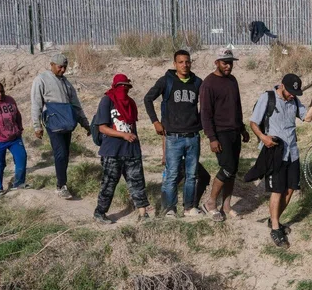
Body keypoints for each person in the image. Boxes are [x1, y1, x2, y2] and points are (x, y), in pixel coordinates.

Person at [248, 74, 312, 247]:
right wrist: (263, 137)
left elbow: (307, 117)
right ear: (282, 85)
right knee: (277, 190)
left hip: (292, 152)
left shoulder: (294, 100)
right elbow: (253, 122)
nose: (291, 95)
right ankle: (275, 228)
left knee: (290, 189)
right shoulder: (267, 98)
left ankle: (274, 219)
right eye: (289, 92)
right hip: (275, 152)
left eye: (294, 93)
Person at [144, 49, 205, 218]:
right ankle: (169, 209)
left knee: (191, 175)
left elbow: (207, 103)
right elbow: (148, 99)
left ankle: (189, 207)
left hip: (193, 137)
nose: (184, 65)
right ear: (175, 64)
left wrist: (200, 122)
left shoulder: (197, 82)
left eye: (187, 62)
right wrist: (155, 121)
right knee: (171, 175)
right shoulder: (166, 81)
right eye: (181, 62)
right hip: (173, 137)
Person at [30, 53, 90, 200]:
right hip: (53, 122)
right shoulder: (41, 79)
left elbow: (76, 105)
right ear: (51, 65)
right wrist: (37, 126)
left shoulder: (66, 83)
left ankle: (62, 182)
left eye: (65, 67)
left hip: (67, 122)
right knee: (60, 153)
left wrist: (85, 123)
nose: (62, 70)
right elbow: (36, 104)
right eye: (60, 67)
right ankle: (61, 186)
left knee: (65, 154)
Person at [93, 73, 151, 224]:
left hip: (131, 150)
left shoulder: (130, 103)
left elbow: (132, 127)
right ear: (115, 86)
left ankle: (143, 214)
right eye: (121, 86)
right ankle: (100, 213)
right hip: (112, 151)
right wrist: (123, 135)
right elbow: (102, 128)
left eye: (127, 86)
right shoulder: (107, 100)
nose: (124, 89)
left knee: (137, 183)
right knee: (109, 184)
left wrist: (136, 148)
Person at [199, 47, 248, 222]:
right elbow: (205, 114)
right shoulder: (208, 84)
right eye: (225, 63)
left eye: (230, 63)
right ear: (216, 62)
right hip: (220, 133)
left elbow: (237, 107)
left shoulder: (232, 80)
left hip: (234, 131)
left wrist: (242, 128)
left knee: (233, 171)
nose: (228, 66)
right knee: (227, 168)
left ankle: (226, 206)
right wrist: (212, 138)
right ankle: (210, 203)